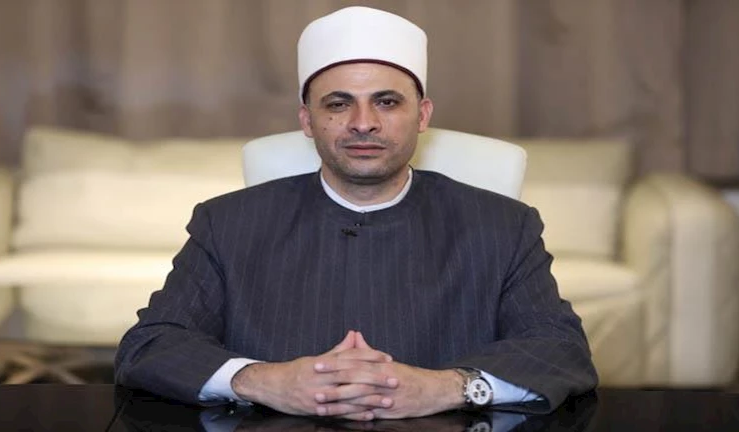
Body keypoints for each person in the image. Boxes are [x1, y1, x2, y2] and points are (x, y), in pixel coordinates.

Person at [115, 6, 597, 422]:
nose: (363, 123)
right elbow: (151, 345)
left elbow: (560, 350)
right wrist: (264, 381)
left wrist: (447, 387)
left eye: (386, 102)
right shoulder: (228, 223)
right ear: (307, 120)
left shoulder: (502, 226)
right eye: (338, 104)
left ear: (422, 115)